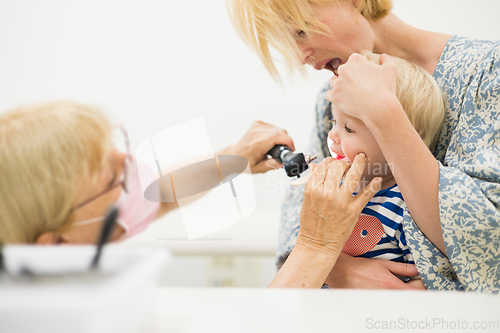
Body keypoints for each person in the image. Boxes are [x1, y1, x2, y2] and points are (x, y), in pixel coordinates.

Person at [228, 0, 500, 292]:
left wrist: (383, 112)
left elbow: (487, 247)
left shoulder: (487, 70)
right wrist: (338, 268)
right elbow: (302, 220)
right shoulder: (332, 98)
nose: (299, 58)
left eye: (301, 32)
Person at [0, 100, 382, 288]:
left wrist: (231, 160)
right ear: (53, 247)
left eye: (114, 148)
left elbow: (158, 195)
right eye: (111, 180)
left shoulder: (75, 234)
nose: (128, 163)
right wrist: (316, 246)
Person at [324, 52, 444, 274]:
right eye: (334, 122)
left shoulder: (406, 207)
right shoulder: (334, 191)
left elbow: (427, 281)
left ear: (393, 136)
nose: (333, 136)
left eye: (348, 128)